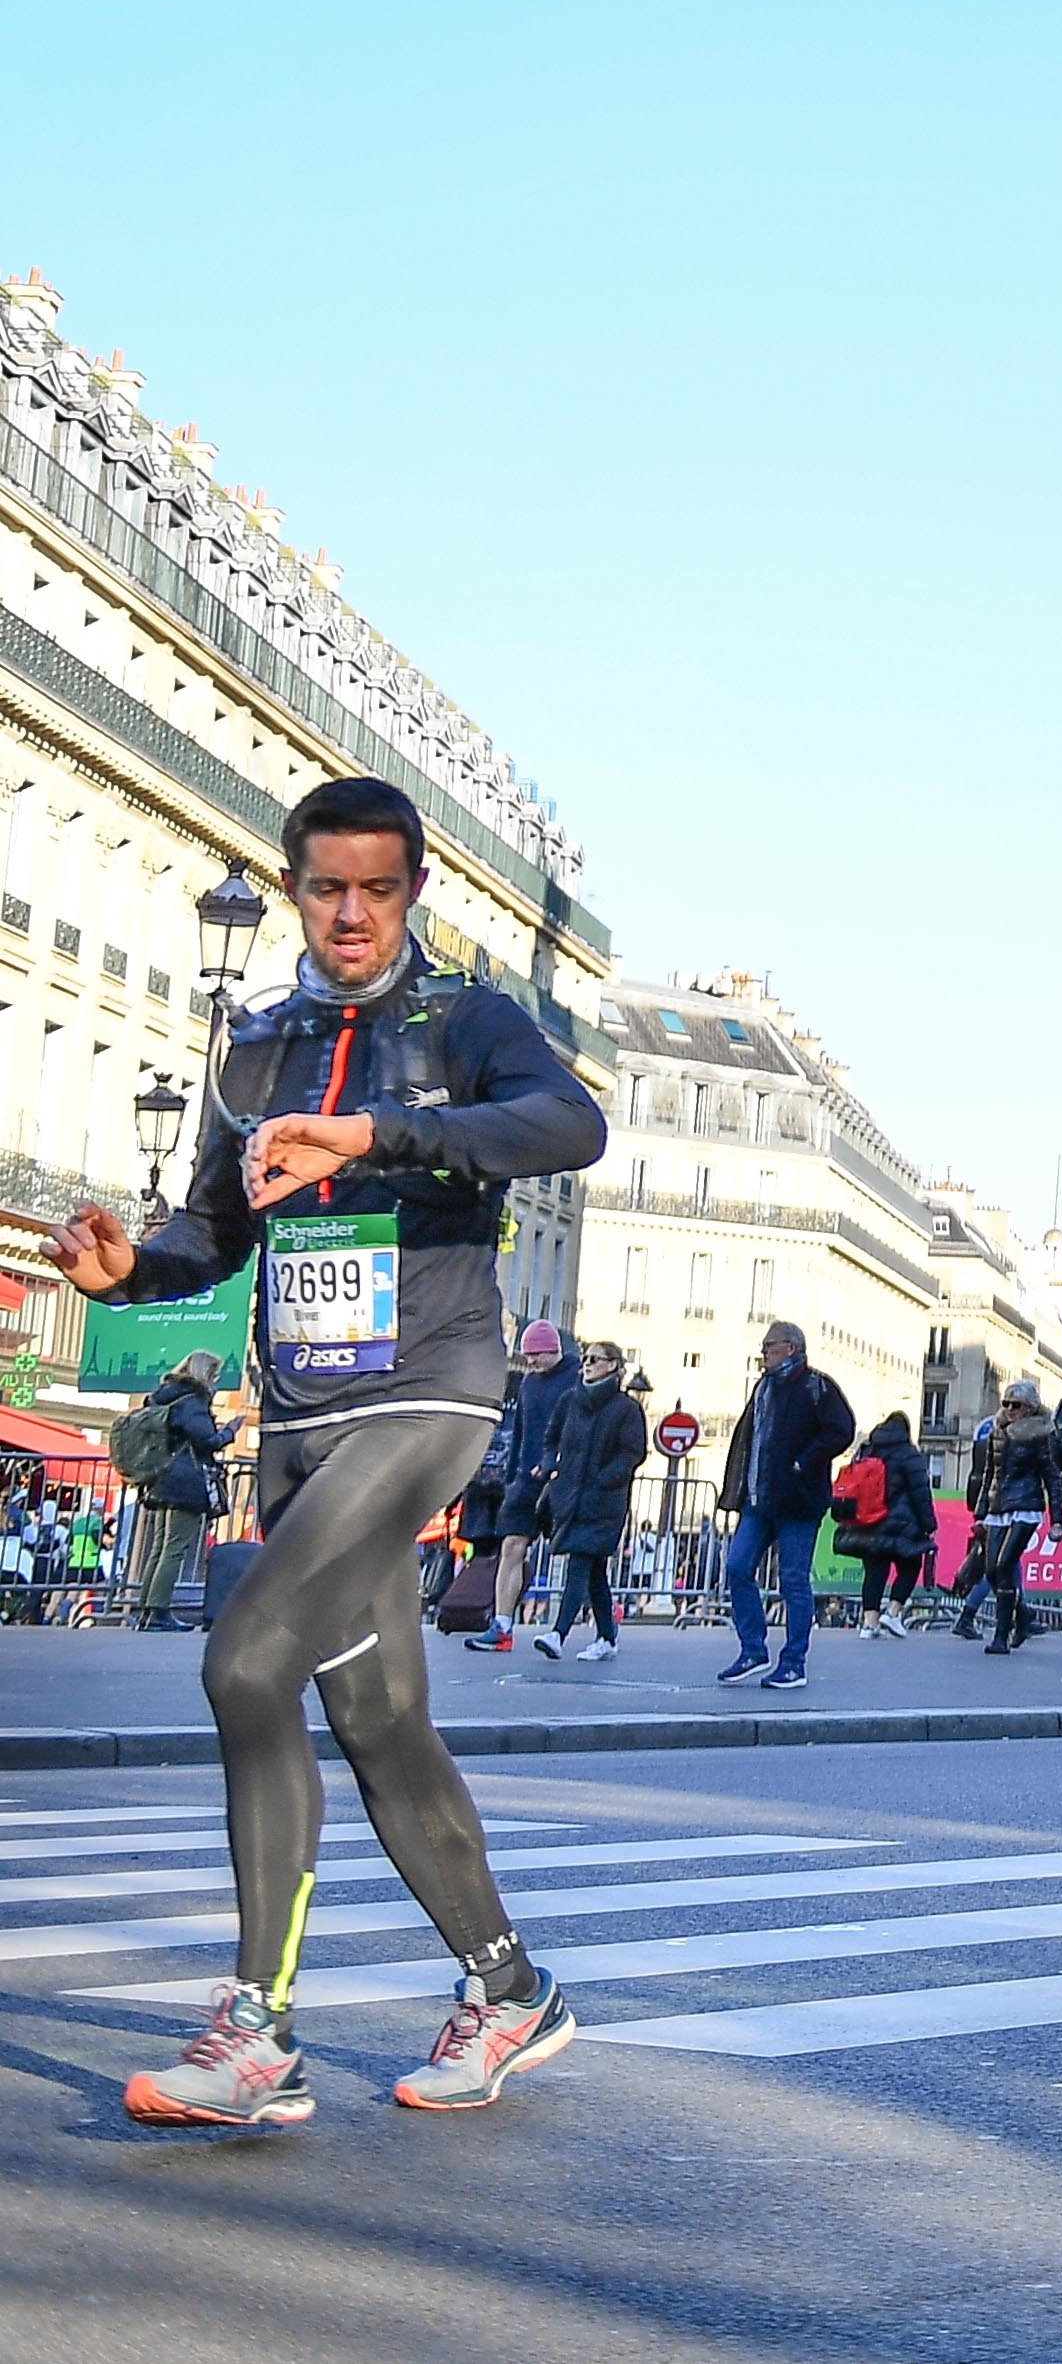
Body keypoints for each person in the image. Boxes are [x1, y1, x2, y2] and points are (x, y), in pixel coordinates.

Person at [53, 774, 610, 2123]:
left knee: (246, 1658)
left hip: (428, 1392)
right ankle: (511, 1988)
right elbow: (212, 1232)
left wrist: (379, 1131)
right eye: (324, 886)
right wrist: (131, 1272)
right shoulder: (252, 1050)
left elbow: (573, 1126)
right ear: (293, 886)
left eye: (376, 887)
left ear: (413, 889)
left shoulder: (467, 1019)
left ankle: (256, 2032)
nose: (349, 913)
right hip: (300, 1418)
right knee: (377, 1722)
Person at [713, 1321, 856, 1689]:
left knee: (793, 1579)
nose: (763, 1352)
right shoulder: (764, 1387)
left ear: (791, 1348)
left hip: (798, 1501)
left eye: (769, 1345)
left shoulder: (815, 1385)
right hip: (758, 1499)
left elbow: (842, 1429)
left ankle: (794, 1662)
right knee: (737, 1566)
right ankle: (753, 1649)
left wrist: (804, 1461)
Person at [460, 1322, 574, 1653]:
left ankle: (597, 1625)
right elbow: (522, 1431)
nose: (532, 1363)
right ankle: (502, 1625)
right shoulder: (528, 1384)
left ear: (552, 1350)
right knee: (511, 1546)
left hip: (561, 1478)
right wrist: (512, 1477)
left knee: (578, 1557)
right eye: (528, 1357)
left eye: (536, 1356)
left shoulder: (576, 1379)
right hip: (526, 1477)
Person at [532, 1338, 645, 1661]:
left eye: (595, 1358)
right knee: (593, 1569)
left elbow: (632, 1452)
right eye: (585, 1357)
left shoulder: (627, 1409)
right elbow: (551, 1437)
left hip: (604, 1500)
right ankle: (607, 1636)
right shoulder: (570, 1401)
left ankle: (559, 1632)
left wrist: (605, 1478)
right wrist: (551, 1464)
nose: (587, 1363)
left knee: (580, 1561)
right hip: (570, 1495)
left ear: (612, 1365)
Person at [960, 1380, 1062, 1656]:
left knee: (1004, 1565)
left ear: (1030, 1407)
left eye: (1017, 1405)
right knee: (991, 1571)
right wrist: (980, 1514)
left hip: (1027, 1506)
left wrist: (1057, 1520)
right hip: (997, 1508)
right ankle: (1022, 1614)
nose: (1010, 1409)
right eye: (1006, 1404)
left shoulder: (1041, 1433)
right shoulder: (995, 1431)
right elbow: (988, 1473)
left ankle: (1001, 1636)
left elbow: (1053, 1479)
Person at [127, 1356, 224, 1632]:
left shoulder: (163, 1397)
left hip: (160, 1477)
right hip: (186, 1481)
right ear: (205, 1374)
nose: (215, 1381)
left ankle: (146, 1610)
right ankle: (158, 1612)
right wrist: (229, 1431)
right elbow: (207, 1439)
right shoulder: (192, 1402)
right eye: (214, 1375)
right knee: (175, 1547)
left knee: (160, 1546)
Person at [832, 1409, 934, 1637]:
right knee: (911, 1566)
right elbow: (921, 1493)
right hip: (900, 1523)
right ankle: (893, 1612)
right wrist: (929, 1525)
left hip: (868, 1520)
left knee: (875, 1571)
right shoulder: (909, 1454)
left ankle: (870, 1624)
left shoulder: (867, 1449)